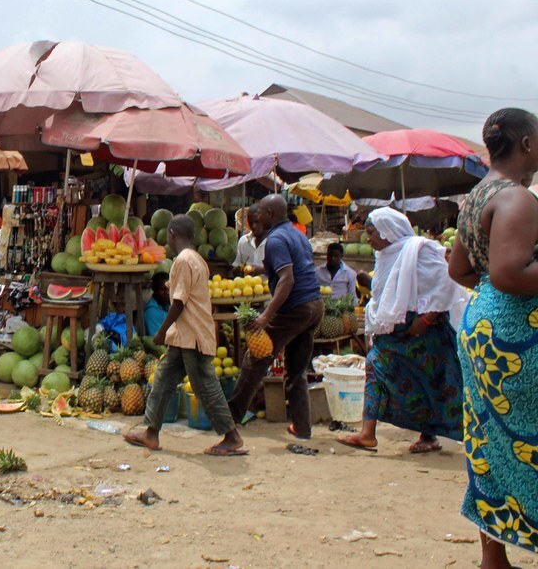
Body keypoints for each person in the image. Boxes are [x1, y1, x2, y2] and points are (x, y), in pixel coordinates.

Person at [447, 108, 538, 567]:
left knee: (487, 436)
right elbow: (508, 272)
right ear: (526, 144)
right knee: (529, 437)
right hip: (519, 336)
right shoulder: (519, 199)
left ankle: (493, 557)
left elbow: (459, 269)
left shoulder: (477, 196)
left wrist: (491, 304)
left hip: (482, 326)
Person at [337, 208, 466, 454]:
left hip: (425, 334)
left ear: (388, 230)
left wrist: (426, 319)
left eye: (372, 233)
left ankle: (429, 436)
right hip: (394, 337)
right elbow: (392, 292)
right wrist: (369, 283)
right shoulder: (385, 256)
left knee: (432, 382)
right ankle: (368, 434)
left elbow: (446, 282)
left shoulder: (420, 249)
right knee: (374, 366)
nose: (370, 239)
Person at [123, 215, 247, 456]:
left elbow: (178, 302)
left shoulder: (182, 261)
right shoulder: (197, 259)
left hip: (193, 335)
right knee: (164, 378)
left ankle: (232, 437)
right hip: (185, 335)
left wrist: (160, 333)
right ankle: (151, 432)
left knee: (205, 385)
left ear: (171, 232)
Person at [228, 195, 324, 439]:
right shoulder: (297, 234)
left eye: (259, 213)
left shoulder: (276, 239)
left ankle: (229, 419)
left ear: (270, 214)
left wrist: (265, 316)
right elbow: (294, 268)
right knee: (296, 368)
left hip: (294, 308)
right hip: (314, 306)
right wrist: (260, 269)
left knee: (254, 360)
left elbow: (288, 279)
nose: (255, 218)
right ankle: (302, 427)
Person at [233, 205, 265, 276]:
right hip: (246, 286)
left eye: (257, 222)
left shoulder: (273, 242)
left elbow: (282, 269)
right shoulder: (243, 241)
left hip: (267, 286)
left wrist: (262, 270)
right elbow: (236, 265)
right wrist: (237, 269)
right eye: (251, 222)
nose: (253, 226)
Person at [144, 272, 170, 336]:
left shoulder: (169, 304)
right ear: (155, 291)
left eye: (169, 289)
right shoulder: (152, 312)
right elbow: (158, 339)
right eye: (163, 290)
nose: (167, 293)